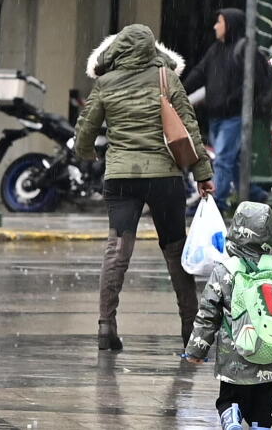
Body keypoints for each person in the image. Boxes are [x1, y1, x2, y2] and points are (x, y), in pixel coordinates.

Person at [75, 24, 214, 351]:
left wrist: (91, 155)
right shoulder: (167, 79)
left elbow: (84, 132)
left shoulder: (105, 83)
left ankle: (106, 324)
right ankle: (190, 327)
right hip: (164, 178)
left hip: (121, 177)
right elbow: (189, 129)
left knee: (118, 250)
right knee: (175, 249)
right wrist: (202, 173)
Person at [185, 202, 272, 430]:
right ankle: (260, 424)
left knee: (229, 398)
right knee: (264, 405)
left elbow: (207, 314)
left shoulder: (224, 271)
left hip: (235, 357)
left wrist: (196, 350)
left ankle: (231, 417)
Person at [184, 8, 270, 212]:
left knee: (223, 159)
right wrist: (179, 90)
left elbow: (256, 82)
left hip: (234, 116)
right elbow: (200, 72)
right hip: (216, 115)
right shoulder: (216, 49)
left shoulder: (244, 49)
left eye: (219, 22)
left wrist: (233, 100)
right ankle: (256, 194)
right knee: (233, 161)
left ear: (230, 25)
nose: (215, 26)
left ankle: (216, 203)